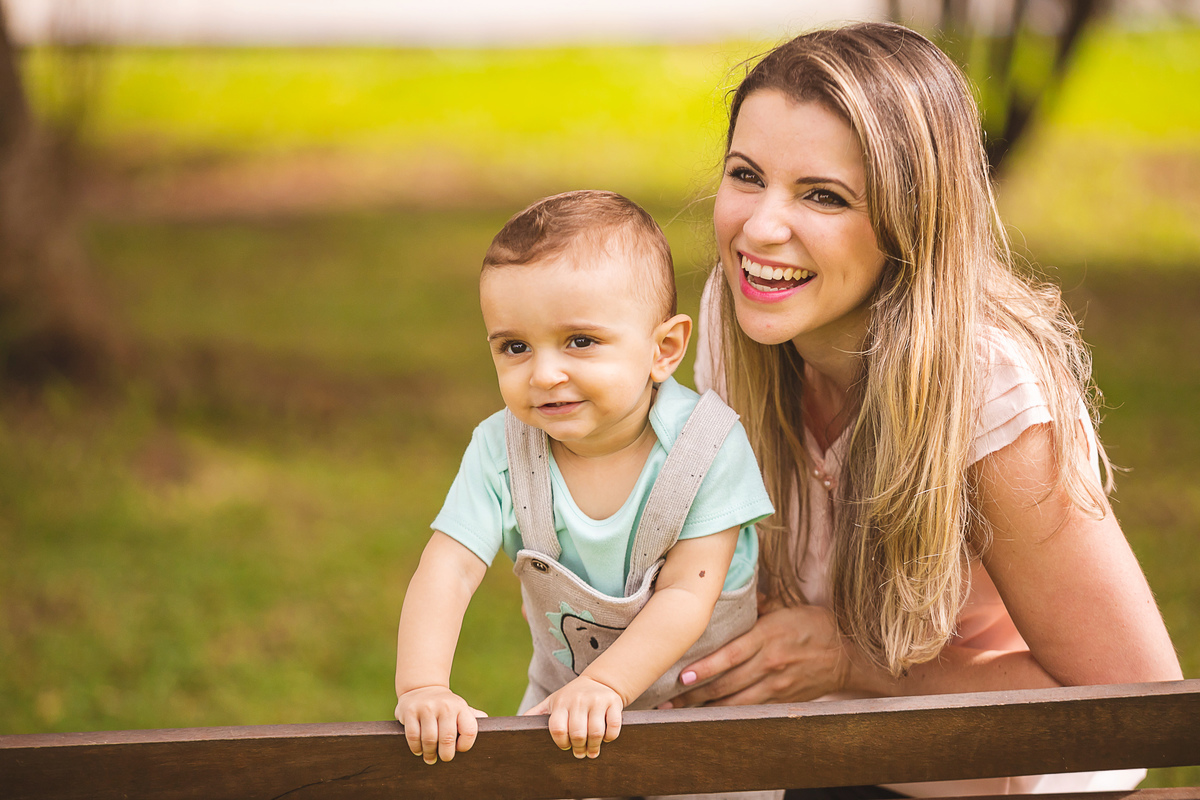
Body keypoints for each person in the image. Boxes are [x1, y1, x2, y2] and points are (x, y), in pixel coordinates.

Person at [660, 22, 1183, 798]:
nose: (760, 229)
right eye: (746, 175)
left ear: (909, 219)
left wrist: (849, 662)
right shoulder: (738, 324)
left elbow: (1136, 709)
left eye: (824, 195)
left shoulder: (983, 388)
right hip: (812, 760)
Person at [393, 190, 778, 794]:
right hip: (561, 708)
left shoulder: (707, 448)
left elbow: (685, 594)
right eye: (515, 347)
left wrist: (606, 685)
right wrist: (423, 686)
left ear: (664, 350)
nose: (544, 374)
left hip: (707, 711)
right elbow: (449, 567)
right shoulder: (502, 450)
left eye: (580, 341)